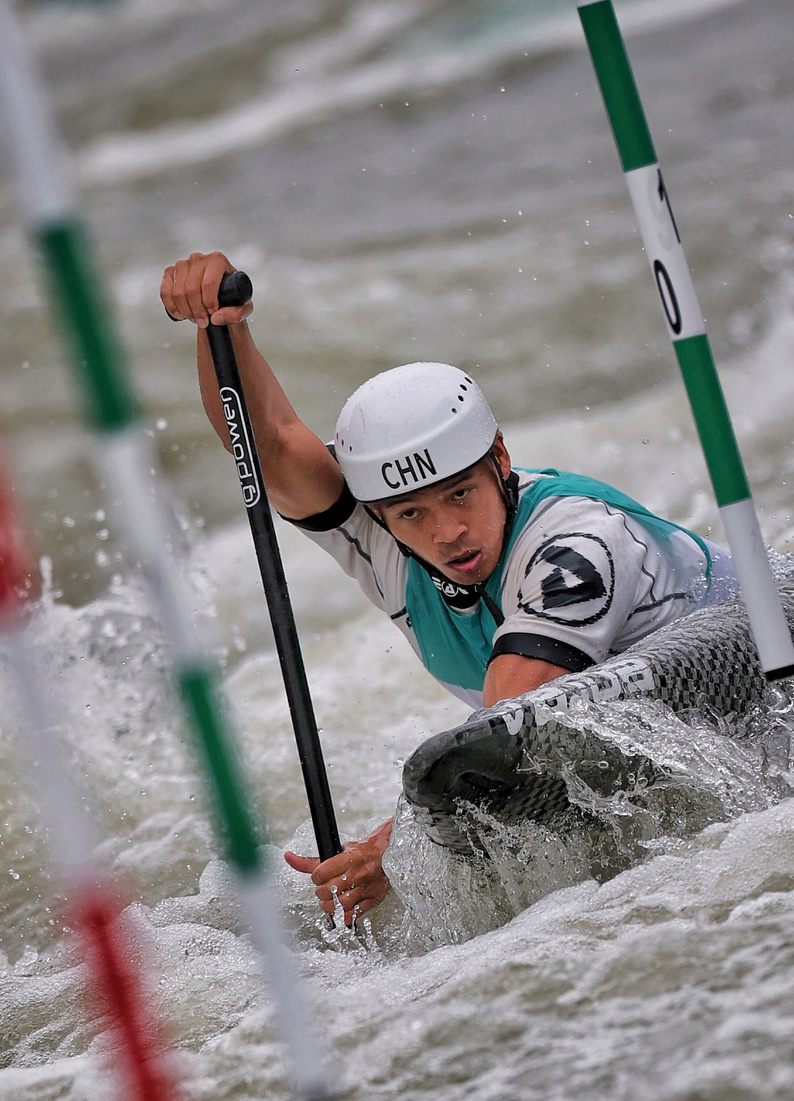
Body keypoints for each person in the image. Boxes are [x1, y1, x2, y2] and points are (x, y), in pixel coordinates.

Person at [160, 251, 735, 925]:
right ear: (379, 514)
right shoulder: (382, 539)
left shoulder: (575, 548)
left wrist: (390, 852)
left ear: (499, 459)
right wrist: (220, 327)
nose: (448, 532)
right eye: (412, 514)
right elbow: (273, 447)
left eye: (461, 492)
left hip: (751, 661)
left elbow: (503, 733)